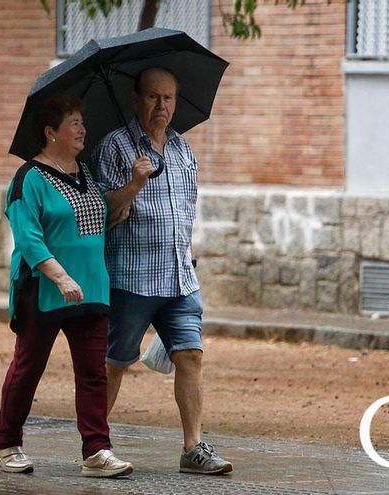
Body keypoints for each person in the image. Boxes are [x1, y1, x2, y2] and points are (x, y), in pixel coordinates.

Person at [93, 67, 233, 474]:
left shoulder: (182, 150)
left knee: (190, 355)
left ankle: (193, 448)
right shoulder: (115, 148)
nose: (162, 106)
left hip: (179, 275)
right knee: (116, 362)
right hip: (132, 279)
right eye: (153, 97)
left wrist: (187, 255)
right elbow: (104, 214)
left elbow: (185, 212)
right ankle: (96, 445)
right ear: (137, 100)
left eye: (169, 98)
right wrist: (134, 184)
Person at [0, 95, 133, 478]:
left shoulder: (86, 172)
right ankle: (7, 444)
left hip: (92, 288)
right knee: (28, 368)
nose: (82, 129)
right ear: (50, 132)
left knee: (93, 373)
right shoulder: (29, 179)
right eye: (73, 122)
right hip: (43, 289)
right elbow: (29, 237)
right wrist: (59, 275)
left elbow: (93, 220)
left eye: (82, 122)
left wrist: (131, 191)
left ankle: (96, 450)